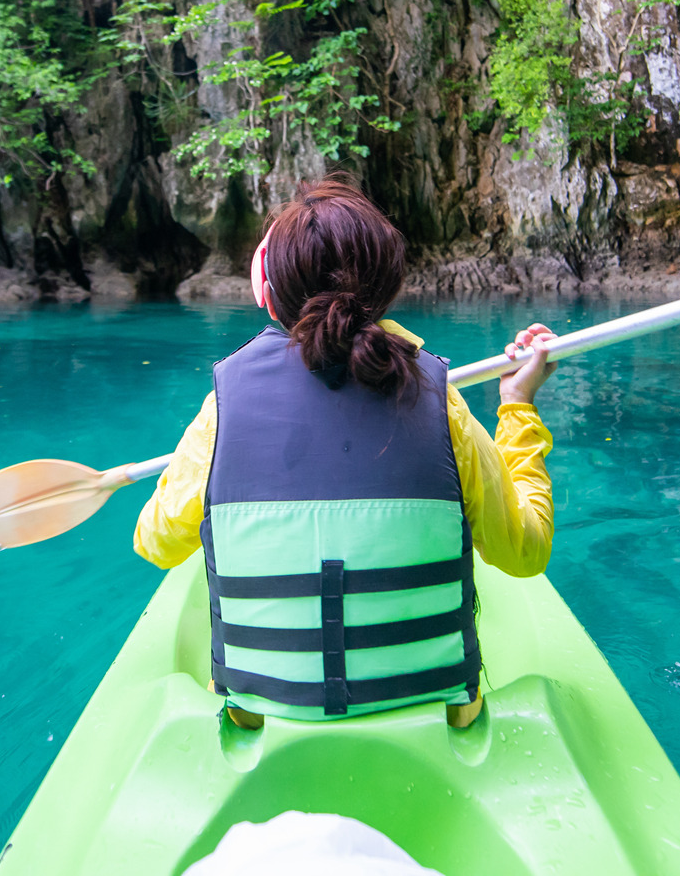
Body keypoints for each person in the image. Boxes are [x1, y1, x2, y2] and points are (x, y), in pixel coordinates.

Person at [134, 174, 558, 730]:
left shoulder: (222, 406)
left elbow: (156, 542)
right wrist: (517, 404)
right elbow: (526, 553)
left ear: (268, 288)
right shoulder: (440, 399)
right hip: (432, 722)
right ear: (387, 284)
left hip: (267, 726)